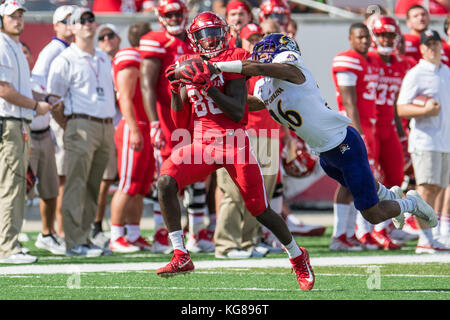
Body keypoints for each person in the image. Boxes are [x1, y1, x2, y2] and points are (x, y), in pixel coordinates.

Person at [209, 32, 438, 256]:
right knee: (363, 190)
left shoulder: (292, 67)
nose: (261, 57)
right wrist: (211, 91)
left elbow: (257, 68)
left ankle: (411, 203)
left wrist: (217, 67)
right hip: (325, 154)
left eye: (267, 51)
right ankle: (392, 195)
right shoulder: (264, 86)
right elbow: (251, 103)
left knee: (372, 214)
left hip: (343, 144)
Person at [157, 12, 315, 291]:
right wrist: (174, 90)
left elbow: (237, 110)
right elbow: (180, 122)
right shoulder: (185, 63)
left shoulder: (235, 57)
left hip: (234, 142)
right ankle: (181, 253)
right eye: (204, 35)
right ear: (194, 40)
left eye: (215, 32)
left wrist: (208, 88)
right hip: (202, 143)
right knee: (166, 180)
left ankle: (297, 255)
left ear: (225, 32)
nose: (211, 40)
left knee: (260, 209)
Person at [47, 7, 116, 257]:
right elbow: (54, 100)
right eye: (81, 21)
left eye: (90, 19)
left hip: (105, 125)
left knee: (94, 186)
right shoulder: (65, 59)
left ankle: (85, 238)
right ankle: (73, 241)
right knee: (76, 184)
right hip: (80, 123)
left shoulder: (103, 57)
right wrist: (70, 125)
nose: (87, 23)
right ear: (72, 28)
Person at [139, 0, 204, 253]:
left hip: (193, 118)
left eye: (179, 12)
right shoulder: (156, 40)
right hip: (168, 120)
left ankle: (198, 232)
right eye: (170, 13)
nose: (175, 17)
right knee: (167, 177)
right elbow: (147, 85)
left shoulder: (192, 41)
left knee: (198, 174)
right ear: (160, 16)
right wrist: (154, 122)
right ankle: (161, 234)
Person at [213, 22, 281, 258]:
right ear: (239, 41)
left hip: (270, 132)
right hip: (241, 132)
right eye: (250, 38)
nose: (256, 42)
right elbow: (241, 99)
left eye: (259, 37)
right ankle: (225, 243)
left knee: (261, 193)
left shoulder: (269, 62)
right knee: (233, 191)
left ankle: (250, 241)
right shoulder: (234, 61)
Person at [0, 0, 53, 264]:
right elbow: (3, 89)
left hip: (18, 121)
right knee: (11, 186)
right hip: (10, 122)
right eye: (12, 16)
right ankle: (7, 247)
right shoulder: (2, 45)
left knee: (15, 185)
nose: (18, 20)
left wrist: (41, 99)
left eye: (20, 15)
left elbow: (15, 88)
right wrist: (35, 105)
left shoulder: (13, 47)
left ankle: (11, 242)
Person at [365, 16, 417, 249]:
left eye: (390, 35)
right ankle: (367, 231)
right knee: (371, 179)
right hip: (370, 125)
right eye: (382, 34)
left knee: (396, 178)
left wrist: (403, 134)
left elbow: (398, 103)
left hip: (389, 126)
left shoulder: (403, 63)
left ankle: (387, 227)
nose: (386, 39)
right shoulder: (367, 60)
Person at [397, 29, 450, 253]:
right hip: (425, 140)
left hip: (444, 140)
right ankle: (424, 239)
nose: (433, 48)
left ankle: (433, 235)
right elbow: (401, 107)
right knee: (425, 189)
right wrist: (425, 109)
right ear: (421, 48)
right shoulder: (416, 73)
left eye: (435, 43)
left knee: (437, 188)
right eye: (428, 44)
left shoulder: (446, 71)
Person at [330, 23, 380, 251]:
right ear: (350, 38)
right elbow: (349, 102)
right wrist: (358, 132)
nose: (365, 41)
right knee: (349, 181)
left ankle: (349, 233)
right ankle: (340, 234)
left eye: (367, 37)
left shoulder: (368, 60)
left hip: (364, 126)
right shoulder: (347, 59)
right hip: (350, 129)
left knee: (355, 182)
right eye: (360, 37)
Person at [109, 22, 156, 253]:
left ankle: (134, 234)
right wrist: (134, 128)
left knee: (139, 186)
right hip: (132, 126)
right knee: (127, 185)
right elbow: (125, 98)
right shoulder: (131, 57)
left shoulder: (144, 58)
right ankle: (116, 235)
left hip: (145, 126)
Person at [31, 4, 76, 242]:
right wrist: (53, 105)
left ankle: (62, 229)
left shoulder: (70, 49)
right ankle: (59, 230)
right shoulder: (53, 50)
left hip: (65, 117)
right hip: (57, 119)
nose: (71, 25)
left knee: (67, 176)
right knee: (62, 177)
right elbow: (37, 83)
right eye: (66, 20)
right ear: (56, 25)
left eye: (74, 20)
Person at [22, 41, 65, 256]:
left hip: (45, 134)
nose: (22, 55)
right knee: (20, 190)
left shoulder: (38, 79)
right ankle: (11, 235)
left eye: (25, 52)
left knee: (50, 189)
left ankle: (47, 234)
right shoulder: (13, 81)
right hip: (25, 135)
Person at [90, 23, 123, 249]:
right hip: (107, 127)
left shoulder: (125, 60)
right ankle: (96, 225)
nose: (107, 40)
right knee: (103, 180)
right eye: (102, 37)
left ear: (119, 38)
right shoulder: (96, 63)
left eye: (111, 35)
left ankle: (126, 229)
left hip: (124, 126)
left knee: (130, 182)